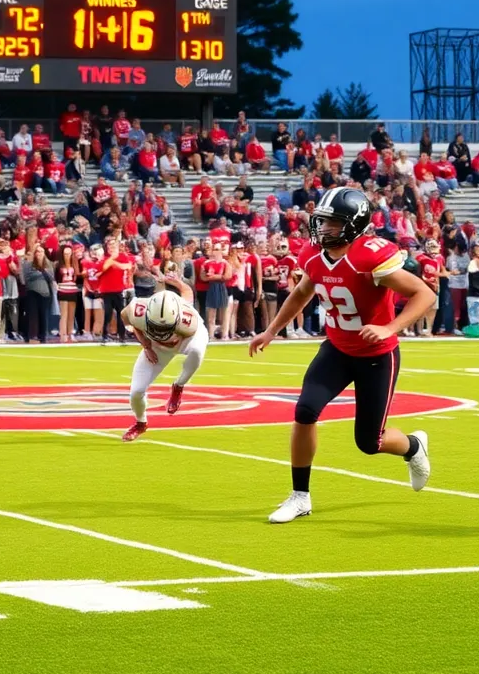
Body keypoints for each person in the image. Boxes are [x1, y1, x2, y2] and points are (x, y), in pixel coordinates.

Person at [249, 187, 436, 524]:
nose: (323, 229)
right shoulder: (312, 255)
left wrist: (389, 327)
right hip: (336, 347)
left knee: (369, 441)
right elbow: (302, 292)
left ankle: (412, 446)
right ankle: (300, 496)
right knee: (305, 411)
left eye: (332, 223)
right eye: (322, 221)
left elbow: (424, 293)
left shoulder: (370, 257)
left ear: (353, 224)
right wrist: (272, 330)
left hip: (377, 354)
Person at [120, 279, 210, 442]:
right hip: (156, 346)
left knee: (196, 352)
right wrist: (145, 344)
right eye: (156, 326)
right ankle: (141, 423)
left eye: (164, 327)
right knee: (136, 392)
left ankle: (179, 385)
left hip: (184, 340)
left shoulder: (187, 321)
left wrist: (179, 282)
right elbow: (126, 318)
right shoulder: (137, 310)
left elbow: (187, 292)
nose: (160, 331)